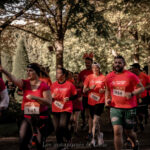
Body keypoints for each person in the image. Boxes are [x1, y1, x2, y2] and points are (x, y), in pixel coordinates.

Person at [0, 63, 52, 150]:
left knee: (40, 144)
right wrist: (4, 71)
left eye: (31, 71)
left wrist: (35, 98)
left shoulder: (43, 85)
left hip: (40, 117)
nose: (28, 73)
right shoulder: (25, 83)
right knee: (23, 141)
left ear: (37, 72)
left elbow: (49, 102)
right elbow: (13, 79)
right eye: (27, 71)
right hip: (26, 117)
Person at [105, 55, 145, 150]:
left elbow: (142, 88)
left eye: (120, 63)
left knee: (128, 132)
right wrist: (107, 99)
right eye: (116, 62)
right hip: (115, 107)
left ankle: (135, 143)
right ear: (113, 64)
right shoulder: (109, 76)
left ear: (124, 64)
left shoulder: (131, 75)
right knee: (117, 131)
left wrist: (132, 94)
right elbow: (107, 89)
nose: (117, 64)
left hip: (129, 107)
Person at [50, 67, 77, 150]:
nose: (57, 74)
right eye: (56, 73)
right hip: (55, 108)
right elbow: (48, 97)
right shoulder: (53, 85)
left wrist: (69, 98)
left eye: (59, 73)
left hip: (66, 108)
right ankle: (60, 145)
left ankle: (68, 138)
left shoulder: (69, 84)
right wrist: (51, 97)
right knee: (56, 128)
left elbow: (75, 95)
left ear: (64, 75)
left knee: (62, 126)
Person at [83, 62, 105, 147]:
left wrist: (104, 90)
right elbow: (84, 90)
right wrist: (89, 88)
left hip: (100, 101)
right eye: (93, 68)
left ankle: (92, 140)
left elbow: (107, 89)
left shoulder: (103, 77)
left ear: (99, 68)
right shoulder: (89, 77)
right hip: (91, 101)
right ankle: (99, 135)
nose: (95, 69)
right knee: (95, 121)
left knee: (95, 120)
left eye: (97, 68)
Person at [130, 63, 150, 129]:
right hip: (133, 97)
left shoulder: (144, 75)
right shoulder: (131, 76)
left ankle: (140, 122)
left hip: (143, 97)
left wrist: (143, 88)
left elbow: (149, 85)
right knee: (134, 111)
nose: (132, 69)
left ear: (137, 69)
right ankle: (136, 123)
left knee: (141, 112)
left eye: (133, 68)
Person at [79, 52, 93, 140]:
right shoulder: (82, 72)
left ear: (91, 62)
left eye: (88, 63)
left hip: (94, 96)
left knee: (92, 114)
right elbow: (79, 82)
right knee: (87, 114)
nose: (87, 64)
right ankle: (89, 127)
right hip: (85, 95)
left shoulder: (95, 71)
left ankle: (92, 129)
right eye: (86, 63)